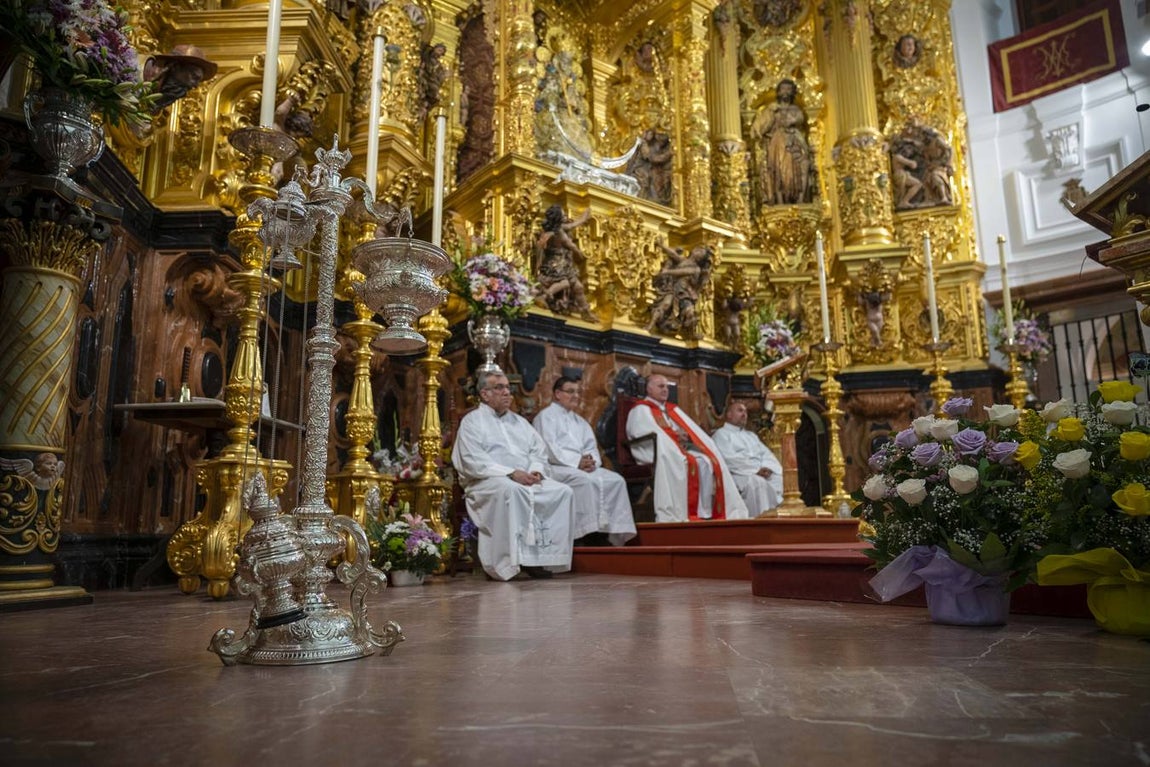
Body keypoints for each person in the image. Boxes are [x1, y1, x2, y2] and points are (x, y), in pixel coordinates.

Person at [452, 371, 575, 581]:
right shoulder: (473, 422)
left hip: (525, 478)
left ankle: (539, 560)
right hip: (486, 481)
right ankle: (509, 562)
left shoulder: (520, 422)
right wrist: (510, 473)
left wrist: (536, 470)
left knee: (563, 492)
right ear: (484, 394)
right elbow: (472, 460)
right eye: (499, 387)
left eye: (508, 387)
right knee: (512, 491)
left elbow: (538, 451)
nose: (507, 392)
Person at [625, 374, 748, 523]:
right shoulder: (641, 409)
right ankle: (681, 512)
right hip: (653, 450)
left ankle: (702, 511)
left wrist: (685, 437)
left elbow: (689, 432)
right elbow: (640, 431)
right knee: (683, 462)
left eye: (666, 387)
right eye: (660, 386)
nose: (665, 390)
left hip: (675, 449)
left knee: (706, 461)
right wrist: (675, 437)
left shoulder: (671, 409)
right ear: (649, 389)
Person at [533, 376, 636, 546]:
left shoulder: (579, 421)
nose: (575, 395)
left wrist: (591, 461)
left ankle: (609, 532)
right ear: (557, 393)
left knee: (616, 481)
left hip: (581, 467)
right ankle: (584, 534)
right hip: (556, 467)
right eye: (570, 391)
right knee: (583, 481)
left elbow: (591, 446)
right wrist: (576, 462)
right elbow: (549, 449)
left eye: (577, 392)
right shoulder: (545, 417)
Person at [712, 402, 783, 517]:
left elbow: (766, 454)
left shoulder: (751, 436)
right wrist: (756, 470)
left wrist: (768, 468)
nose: (744, 414)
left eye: (745, 411)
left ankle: (778, 519)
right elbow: (729, 459)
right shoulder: (721, 435)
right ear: (729, 414)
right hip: (739, 474)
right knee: (757, 483)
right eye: (740, 411)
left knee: (778, 479)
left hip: (758, 471)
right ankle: (760, 519)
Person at [752, 79, 814, 206]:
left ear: (792, 92)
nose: (786, 92)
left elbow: (797, 119)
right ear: (778, 92)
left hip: (795, 141)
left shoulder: (796, 109)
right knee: (779, 169)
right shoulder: (772, 109)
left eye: (789, 89)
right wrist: (770, 112)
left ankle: (800, 200)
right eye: (783, 89)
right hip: (778, 142)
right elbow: (757, 128)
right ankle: (780, 201)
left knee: (802, 165)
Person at [143, 45, 218, 111]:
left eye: (199, 81)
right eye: (194, 77)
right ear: (176, 67)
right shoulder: (139, 68)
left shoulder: (159, 92)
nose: (195, 86)